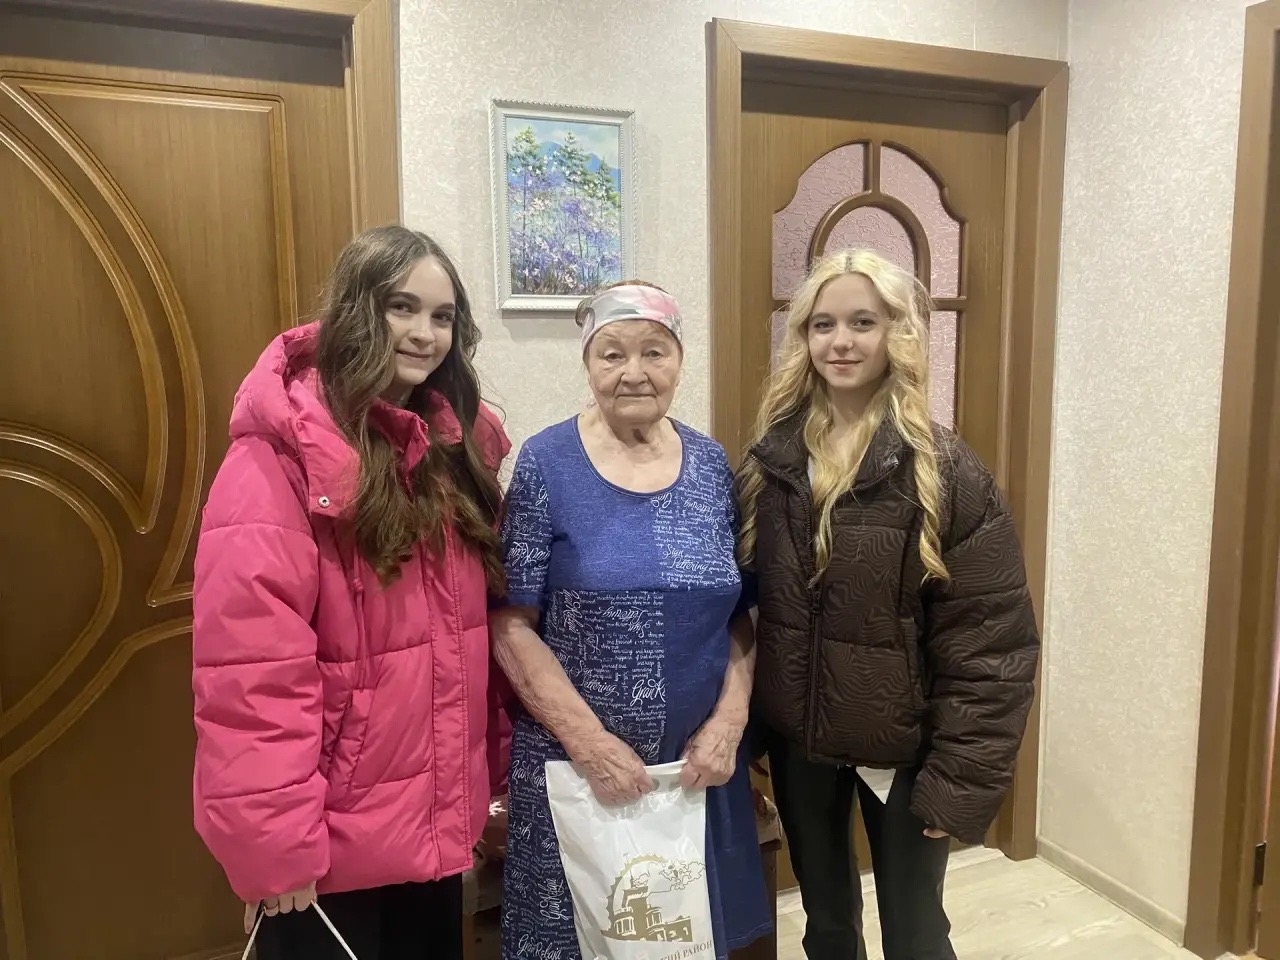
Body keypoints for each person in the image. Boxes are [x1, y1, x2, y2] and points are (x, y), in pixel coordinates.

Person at [191, 226, 512, 960]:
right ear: (356, 309)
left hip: (432, 826)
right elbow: (251, 671)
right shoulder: (278, 458)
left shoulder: (454, 450)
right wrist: (275, 845)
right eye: (403, 307)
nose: (425, 333)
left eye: (442, 316)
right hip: (328, 844)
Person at [737, 249, 1040, 960]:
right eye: (823, 324)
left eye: (862, 322)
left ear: (895, 333)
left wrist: (960, 779)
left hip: (903, 754)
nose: (840, 342)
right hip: (802, 746)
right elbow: (742, 605)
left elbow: (991, 642)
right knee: (826, 924)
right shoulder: (771, 463)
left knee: (916, 932)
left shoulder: (945, 471)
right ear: (804, 338)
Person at [490, 281, 772, 960]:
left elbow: (740, 613)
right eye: (612, 353)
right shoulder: (546, 463)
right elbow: (510, 624)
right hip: (576, 772)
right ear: (588, 364)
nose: (634, 371)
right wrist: (590, 744)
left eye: (654, 351)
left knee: (685, 941)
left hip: (697, 773)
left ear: (680, 361)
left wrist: (730, 724)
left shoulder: (711, 465)